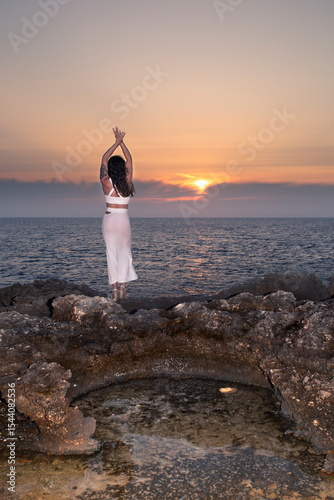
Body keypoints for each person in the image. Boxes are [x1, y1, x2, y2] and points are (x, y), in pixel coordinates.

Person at [100, 127, 138, 301]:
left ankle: (114, 291)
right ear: (122, 168)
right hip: (123, 220)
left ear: (110, 168)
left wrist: (115, 142)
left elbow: (104, 158)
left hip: (109, 219)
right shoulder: (127, 181)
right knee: (124, 252)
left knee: (111, 253)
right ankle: (123, 287)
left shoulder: (105, 182)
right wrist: (122, 142)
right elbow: (129, 159)